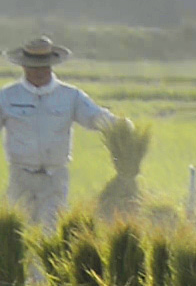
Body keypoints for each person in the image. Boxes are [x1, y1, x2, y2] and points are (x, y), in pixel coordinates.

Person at [1, 37, 117, 227]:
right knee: (18, 231)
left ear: (51, 66)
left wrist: (120, 126)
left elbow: (95, 117)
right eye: (33, 66)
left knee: (51, 230)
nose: (38, 71)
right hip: (20, 177)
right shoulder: (7, 97)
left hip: (54, 178)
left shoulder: (70, 96)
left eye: (43, 66)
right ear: (23, 66)